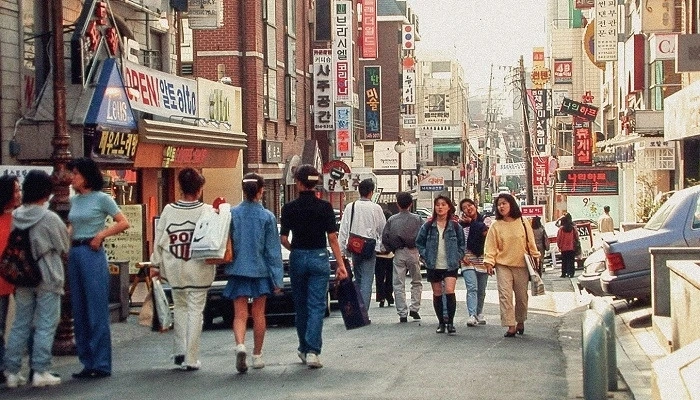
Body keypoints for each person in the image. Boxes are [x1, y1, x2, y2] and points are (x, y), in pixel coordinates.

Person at [3, 170, 69, 387]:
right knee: (46, 324)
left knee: (20, 324)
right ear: (46, 192)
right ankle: (40, 370)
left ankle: (11, 372)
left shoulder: (16, 216)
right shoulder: (49, 218)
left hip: (23, 276)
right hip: (47, 275)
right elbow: (63, 246)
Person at [67, 157, 130, 379]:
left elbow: (123, 222)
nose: (72, 177)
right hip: (75, 251)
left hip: (92, 251)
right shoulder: (74, 200)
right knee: (79, 308)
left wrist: (101, 235)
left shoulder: (102, 198)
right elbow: (73, 225)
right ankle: (87, 360)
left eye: (76, 173)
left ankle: (101, 362)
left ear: (86, 176)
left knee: (96, 308)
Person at [280, 165, 348, 369]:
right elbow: (333, 238)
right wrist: (341, 265)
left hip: (298, 256)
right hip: (319, 256)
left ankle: (303, 347)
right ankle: (312, 351)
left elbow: (283, 239)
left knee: (301, 305)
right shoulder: (325, 207)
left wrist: (294, 249)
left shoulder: (289, 208)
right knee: (316, 305)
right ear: (315, 183)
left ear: (299, 183)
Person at [150, 168, 215, 372]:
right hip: (199, 268)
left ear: (180, 187)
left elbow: (159, 240)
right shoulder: (207, 211)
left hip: (175, 267)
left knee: (179, 307)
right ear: (200, 188)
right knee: (195, 310)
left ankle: (179, 351)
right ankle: (191, 357)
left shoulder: (169, 210)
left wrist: (155, 264)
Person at [225, 173, 284, 374]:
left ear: (243, 190)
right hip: (260, 270)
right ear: (261, 191)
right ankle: (257, 355)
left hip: (238, 268)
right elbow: (272, 251)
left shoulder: (232, 214)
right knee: (259, 313)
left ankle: (240, 344)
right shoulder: (267, 217)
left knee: (240, 314)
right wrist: (277, 279)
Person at [483, 193, 540, 338]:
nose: (501, 206)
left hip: (521, 265)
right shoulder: (495, 225)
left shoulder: (523, 222)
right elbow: (490, 246)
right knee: (505, 295)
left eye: (504, 203)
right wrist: (489, 262)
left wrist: (536, 257)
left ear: (511, 204)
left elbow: (531, 242)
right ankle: (510, 325)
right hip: (503, 265)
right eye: (499, 204)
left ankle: (520, 320)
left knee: (521, 297)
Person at [415, 195, 465, 335]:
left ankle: (451, 323)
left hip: (450, 264)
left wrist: (458, 256)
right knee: (437, 293)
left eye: (443, 204)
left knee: (449, 291)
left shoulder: (455, 226)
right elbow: (419, 242)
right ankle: (441, 323)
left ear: (449, 207)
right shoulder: (428, 226)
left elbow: (462, 244)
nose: (440, 207)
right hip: (433, 264)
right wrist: (425, 255)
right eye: (437, 205)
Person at [338, 179, 386, 312]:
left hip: (354, 247)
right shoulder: (376, 208)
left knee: (358, 279)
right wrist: (381, 247)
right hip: (369, 248)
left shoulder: (351, 206)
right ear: (371, 192)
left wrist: (341, 251)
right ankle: (363, 312)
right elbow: (383, 229)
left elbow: (343, 229)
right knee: (367, 280)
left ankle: (357, 311)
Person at [381, 192, 424, 323]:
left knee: (398, 283)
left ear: (398, 204)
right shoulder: (417, 219)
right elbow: (424, 235)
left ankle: (402, 312)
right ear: (410, 204)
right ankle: (414, 308)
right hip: (414, 251)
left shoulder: (392, 220)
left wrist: (391, 249)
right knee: (416, 281)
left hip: (399, 252)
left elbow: (385, 237)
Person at [0, 175, 21, 385]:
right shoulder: (13, 219)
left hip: (12, 278)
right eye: (15, 190)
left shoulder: (18, 218)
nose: (18, 195)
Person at [458, 198, 489, 327]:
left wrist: (472, 223)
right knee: (472, 288)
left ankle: (479, 313)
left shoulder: (486, 220)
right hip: (467, 260)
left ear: (475, 205)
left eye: (470, 205)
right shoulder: (460, 225)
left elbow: (488, 236)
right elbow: (458, 242)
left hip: (483, 260)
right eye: (464, 208)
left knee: (481, 290)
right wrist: (461, 256)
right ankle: (472, 315)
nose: (468, 208)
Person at [374, 210, 394, 308]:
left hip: (378, 256)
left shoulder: (377, 227)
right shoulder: (391, 228)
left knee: (379, 278)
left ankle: (381, 297)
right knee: (390, 277)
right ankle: (389, 296)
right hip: (390, 255)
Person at [556, 213, 579, 278]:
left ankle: (564, 273)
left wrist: (559, 246)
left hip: (563, 248)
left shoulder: (561, 229)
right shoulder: (573, 228)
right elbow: (577, 237)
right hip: (572, 247)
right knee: (571, 261)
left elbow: (558, 238)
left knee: (564, 261)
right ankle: (571, 273)